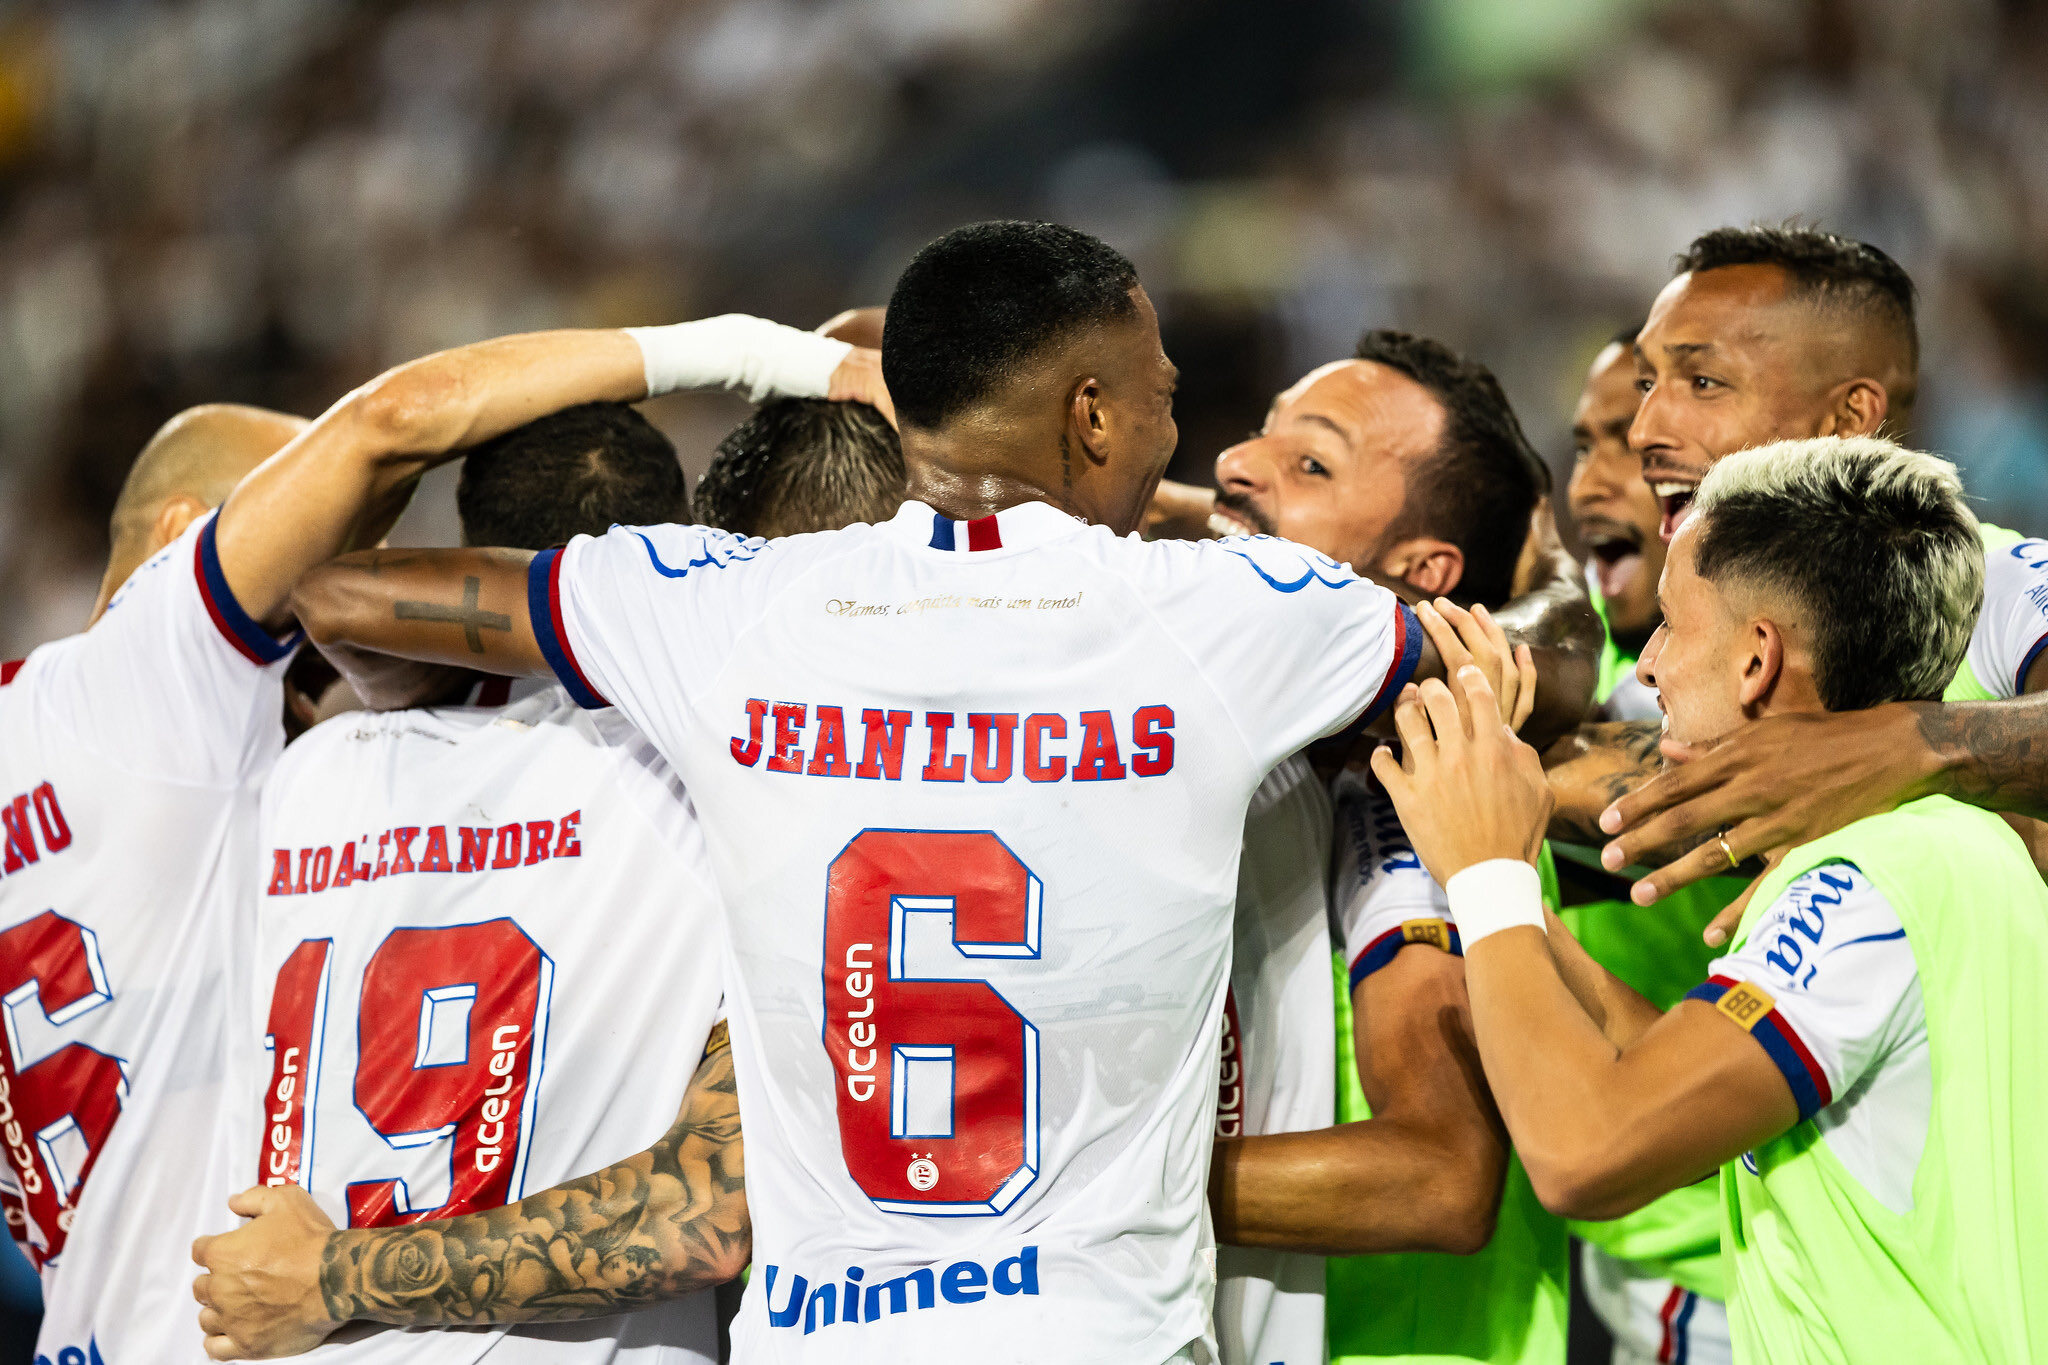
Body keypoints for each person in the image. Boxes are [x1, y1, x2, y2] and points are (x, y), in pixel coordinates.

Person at [188, 219, 1470, 1364]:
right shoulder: (1222, 617)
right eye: (1160, 401)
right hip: (1097, 1330)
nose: (1178, 433)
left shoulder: (724, 608)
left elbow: (334, 589)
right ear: (1091, 415)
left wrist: (389, 703)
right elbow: (1499, 656)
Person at [1372, 434, 2048, 1363]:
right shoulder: (1937, 841)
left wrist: (1486, 881)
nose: (1645, 667)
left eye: (1671, 625)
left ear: (1756, 661)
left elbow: (1586, 1149)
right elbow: (1664, 1072)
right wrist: (1509, 874)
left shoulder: (1868, 881)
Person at [232, 401, 739, 1365]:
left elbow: (331, 596)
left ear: (467, 546)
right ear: (674, 545)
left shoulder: (311, 776)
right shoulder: (685, 773)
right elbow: (702, 1216)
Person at [1199, 330, 1580, 1365]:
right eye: (1261, 434)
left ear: (1421, 571)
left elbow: (1435, 1178)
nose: (1237, 462)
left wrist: (1052, 1182)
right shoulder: (1224, 745)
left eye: (1309, 463)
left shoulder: (1420, 793)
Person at [1588, 226, 2048, 905]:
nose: (1644, 429)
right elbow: (1572, 750)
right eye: (1650, 382)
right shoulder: (1694, 643)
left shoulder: (2003, 581)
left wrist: (1906, 747)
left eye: (1704, 381)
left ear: (1846, 417)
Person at [1556, 329, 1738, 1365]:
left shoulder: (1799, 675)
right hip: (1630, 1253)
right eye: (1584, 443)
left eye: (1632, 443)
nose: (1597, 477)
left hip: (1739, 1262)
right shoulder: (1594, 636)